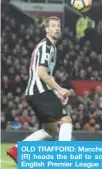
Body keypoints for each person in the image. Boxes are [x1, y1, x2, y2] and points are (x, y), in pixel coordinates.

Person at [7, 16, 73, 164]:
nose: (57, 28)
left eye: (58, 26)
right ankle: (64, 160)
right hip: (39, 91)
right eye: (53, 26)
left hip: (34, 93)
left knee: (50, 130)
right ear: (46, 29)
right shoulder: (46, 47)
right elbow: (41, 73)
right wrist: (60, 89)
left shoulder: (49, 47)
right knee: (66, 121)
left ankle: (17, 150)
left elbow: (46, 75)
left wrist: (57, 91)